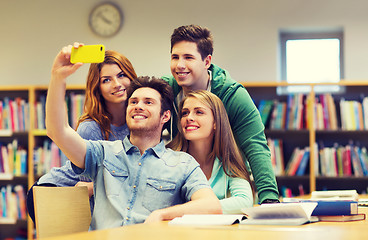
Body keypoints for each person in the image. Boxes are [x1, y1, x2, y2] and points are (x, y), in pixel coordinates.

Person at [45, 43, 222, 230]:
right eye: (134, 101)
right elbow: (57, 131)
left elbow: (211, 206)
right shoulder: (102, 153)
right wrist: (58, 77)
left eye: (148, 102)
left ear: (165, 116)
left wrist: (161, 215)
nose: (138, 106)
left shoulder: (183, 163)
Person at [162, 24, 279, 204]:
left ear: (207, 61)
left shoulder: (233, 96)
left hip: (223, 178)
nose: (180, 65)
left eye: (188, 57)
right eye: (175, 57)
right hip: (183, 175)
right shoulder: (166, 90)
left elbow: (256, 147)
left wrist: (270, 200)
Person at [26, 49, 137, 224]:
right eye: (106, 80)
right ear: (97, 88)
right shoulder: (91, 128)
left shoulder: (139, 121)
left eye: (122, 75)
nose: (116, 84)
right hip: (58, 191)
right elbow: (87, 187)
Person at [167, 90, 253, 213]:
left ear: (216, 123)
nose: (189, 118)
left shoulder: (228, 160)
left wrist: (190, 210)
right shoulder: (168, 159)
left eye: (199, 112)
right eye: (185, 113)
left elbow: (244, 201)